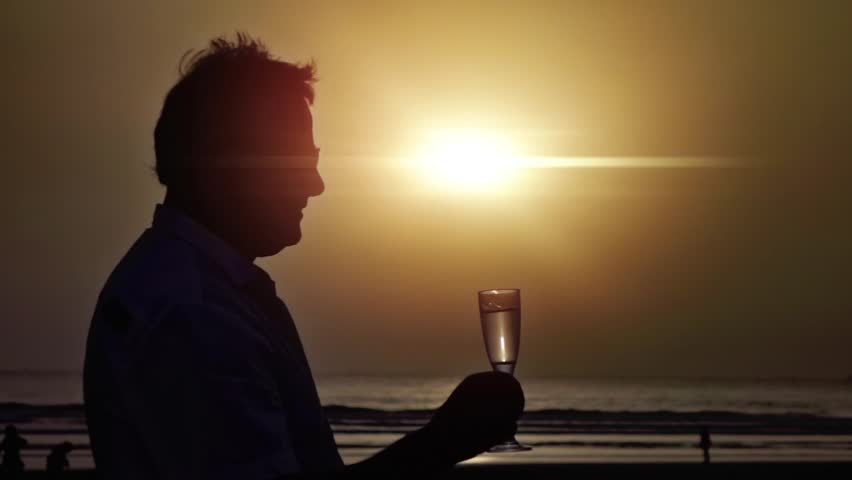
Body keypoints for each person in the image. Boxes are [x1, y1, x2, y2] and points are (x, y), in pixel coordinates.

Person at [83, 33, 524, 480]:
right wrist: (442, 442)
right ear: (223, 163)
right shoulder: (193, 314)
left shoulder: (191, 288)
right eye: (294, 160)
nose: (316, 184)